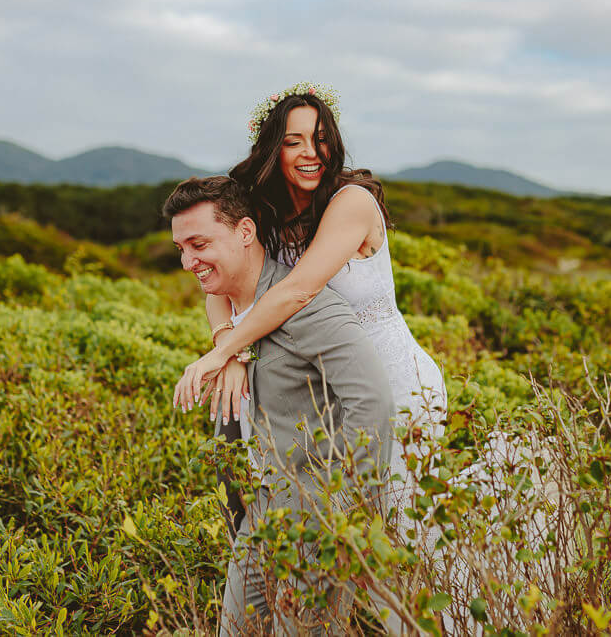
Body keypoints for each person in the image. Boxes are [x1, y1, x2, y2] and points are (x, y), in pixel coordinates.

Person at [172, 82, 448, 538]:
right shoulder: (263, 215)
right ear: (271, 150)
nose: (311, 152)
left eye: (320, 139)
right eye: (293, 141)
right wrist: (230, 347)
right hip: (319, 394)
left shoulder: (351, 203)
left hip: (390, 383)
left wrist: (224, 353)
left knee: (396, 527)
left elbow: (298, 290)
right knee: (324, 528)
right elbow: (219, 287)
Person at [163, 175, 395, 635]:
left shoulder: (307, 307)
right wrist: (228, 348)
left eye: (199, 244)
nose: (188, 262)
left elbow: (373, 404)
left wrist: (335, 511)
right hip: (260, 516)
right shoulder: (230, 320)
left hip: (316, 516)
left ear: (245, 232)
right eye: (181, 249)